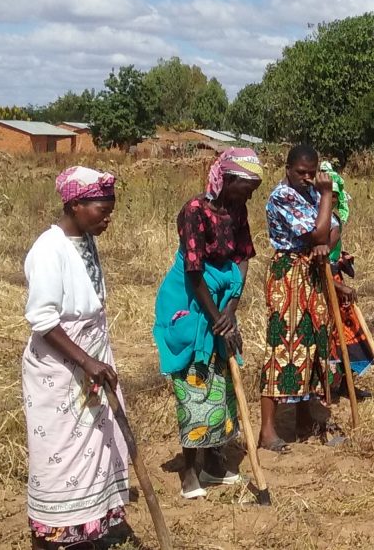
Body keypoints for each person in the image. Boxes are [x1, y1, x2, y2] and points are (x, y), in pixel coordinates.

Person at [23, 166, 130, 548]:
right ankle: (54, 536)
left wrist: (96, 360)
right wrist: (86, 361)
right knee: (62, 454)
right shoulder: (48, 249)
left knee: (99, 446)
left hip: (92, 361)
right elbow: (43, 321)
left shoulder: (84, 241)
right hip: (60, 367)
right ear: (76, 204)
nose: (108, 218)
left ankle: (88, 528)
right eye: (102, 210)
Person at [153, 148, 264, 499]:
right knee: (194, 379)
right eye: (247, 186)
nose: (251, 193)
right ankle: (190, 470)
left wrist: (231, 309)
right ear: (228, 180)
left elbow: (244, 257)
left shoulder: (238, 209)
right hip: (190, 299)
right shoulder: (194, 212)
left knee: (223, 380)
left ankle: (216, 462)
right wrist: (217, 319)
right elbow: (194, 270)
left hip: (220, 300)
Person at [260, 144, 352, 451]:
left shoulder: (311, 193)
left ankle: (303, 420)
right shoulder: (282, 196)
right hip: (289, 274)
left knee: (313, 344)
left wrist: (322, 241)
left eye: (312, 173)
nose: (308, 178)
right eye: (301, 173)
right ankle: (268, 430)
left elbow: (333, 228)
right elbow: (317, 234)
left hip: (312, 272)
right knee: (284, 344)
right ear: (287, 169)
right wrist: (326, 198)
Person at [320, 160, 374, 397]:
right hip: (322, 285)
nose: (330, 199)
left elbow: (331, 254)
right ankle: (327, 388)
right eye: (326, 194)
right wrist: (337, 284)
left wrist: (342, 258)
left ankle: (345, 384)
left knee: (349, 332)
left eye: (334, 195)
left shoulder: (334, 221)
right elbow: (316, 262)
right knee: (330, 335)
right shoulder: (317, 223)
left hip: (334, 278)